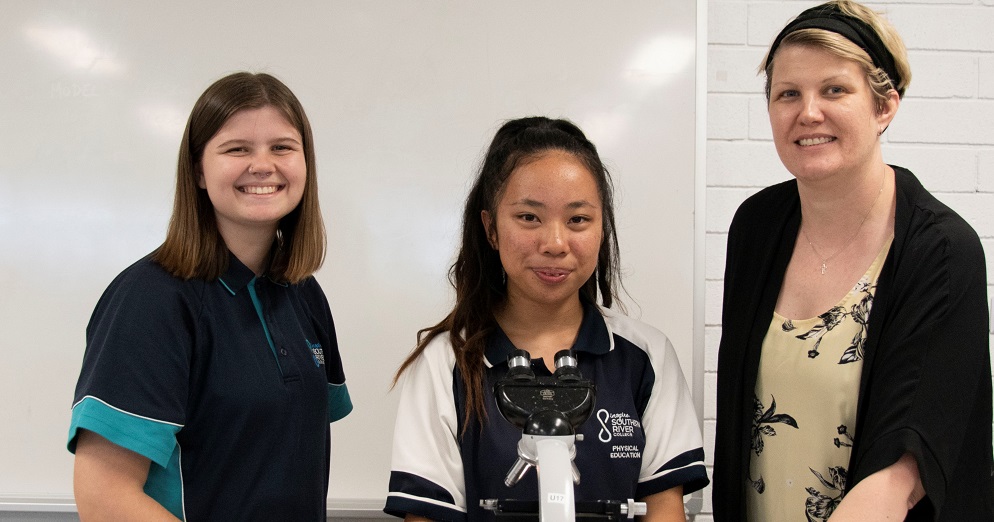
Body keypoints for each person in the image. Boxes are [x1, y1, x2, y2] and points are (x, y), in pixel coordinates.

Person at [712, 1, 993, 520]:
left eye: (834, 90)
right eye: (788, 94)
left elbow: (902, 474)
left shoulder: (942, 252)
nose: (808, 112)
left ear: (884, 106)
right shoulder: (756, 227)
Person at [383, 116, 708, 521]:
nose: (554, 243)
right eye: (529, 218)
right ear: (491, 228)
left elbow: (663, 509)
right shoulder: (444, 364)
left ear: (601, 228)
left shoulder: (645, 357)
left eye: (577, 220)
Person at [67, 72, 352, 521]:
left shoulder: (304, 295)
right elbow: (104, 497)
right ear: (199, 170)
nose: (263, 165)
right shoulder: (149, 301)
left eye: (282, 147)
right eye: (237, 148)